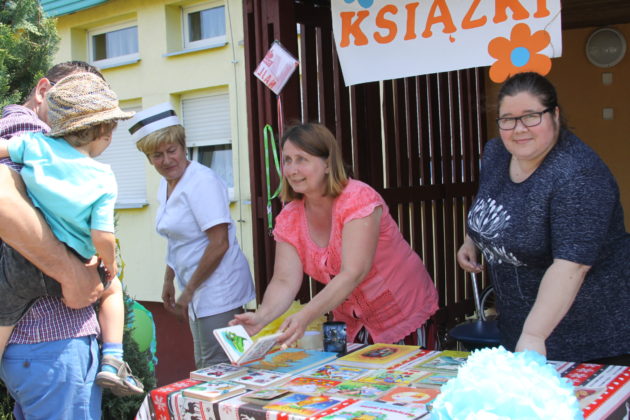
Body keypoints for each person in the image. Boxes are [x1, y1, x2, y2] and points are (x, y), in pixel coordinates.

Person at [456, 72, 630, 364]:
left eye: (531, 116)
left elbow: (571, 266)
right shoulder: (497, 152)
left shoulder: (578, 174)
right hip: (517, 328)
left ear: (555, 115)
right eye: (508, 119)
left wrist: (534, 335)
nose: (519, 129)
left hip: (591, 339)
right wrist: (472, 239)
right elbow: (490, 198)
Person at [0, 72, 145, 396]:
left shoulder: (36, 145)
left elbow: (3, 149)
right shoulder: (102, 178)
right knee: (112, 290)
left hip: (19, 259)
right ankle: (113, 360)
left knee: (3, 314)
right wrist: (109, 263)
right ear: (105, 132)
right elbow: (102, 235)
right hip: (72, 260)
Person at [231, 123, 439, 347]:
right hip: (347, 321)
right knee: (340, 370)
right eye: (287, 160)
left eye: (302, 159)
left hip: (401, 312)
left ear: (328, 164)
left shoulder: (358, 198)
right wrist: (261, 317)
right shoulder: (289, 218)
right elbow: (284, 280)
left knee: (402, 371)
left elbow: (353, 272)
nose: (291, 170)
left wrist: (305, 316)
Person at [0, 61, 106, 419]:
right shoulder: (32, 132)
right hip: (52, 339)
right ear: (44, 91)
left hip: (37, 348)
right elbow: (4, 202)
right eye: (73, 99)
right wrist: (72, 274)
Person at [131, 103, 255, 368]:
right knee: (213, 363)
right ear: (148, 158)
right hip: (196, 289)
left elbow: (219, 243)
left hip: (220, 290)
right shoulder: (166, 184)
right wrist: (169, 279)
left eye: (171, 151)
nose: (167, 160)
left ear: (183, 146)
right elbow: (176, 238)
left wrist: (187, 292)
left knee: (219, 367)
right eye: (157, 155)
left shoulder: (202, 182)